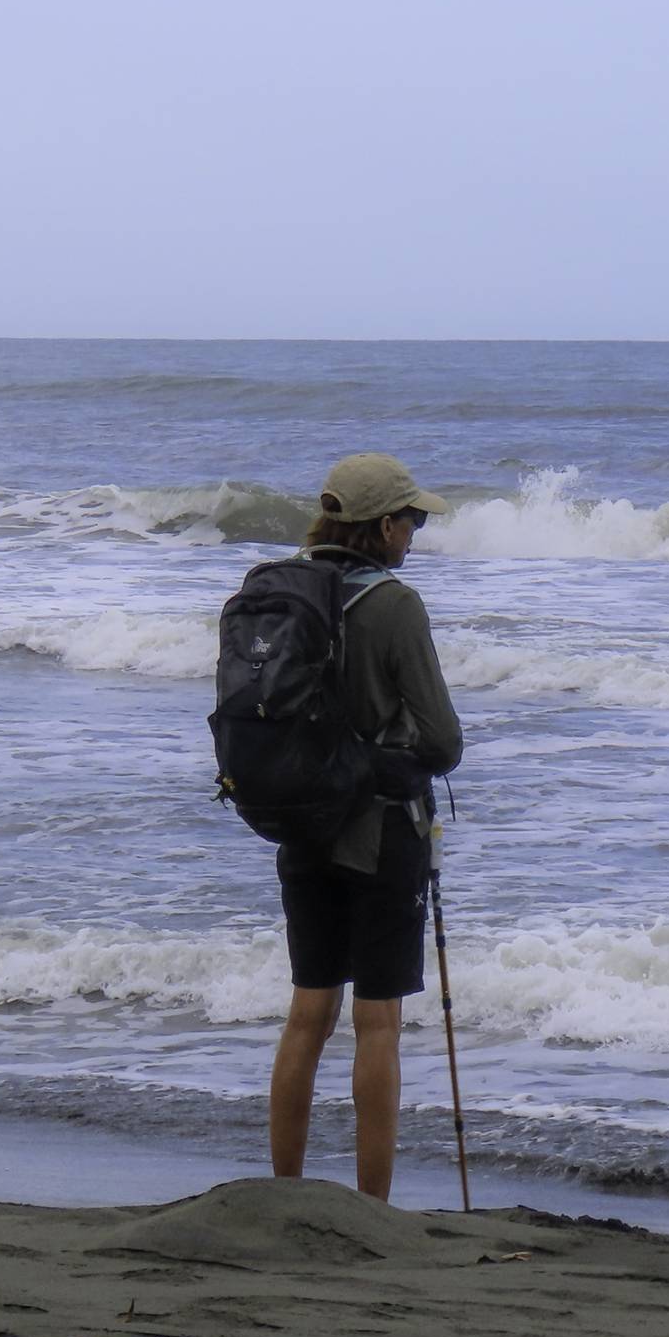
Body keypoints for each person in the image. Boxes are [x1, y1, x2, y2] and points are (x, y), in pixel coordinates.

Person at [268, 452, 463, 1199]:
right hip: (381, 834)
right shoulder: (394, 605)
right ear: (382, 527)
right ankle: (371, 1206)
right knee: (377, 1022)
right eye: (410, 522)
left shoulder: (285, 590)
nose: (414, 534)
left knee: (308, 1011)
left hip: (299, 824)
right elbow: (443, 740)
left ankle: (282, 1189)